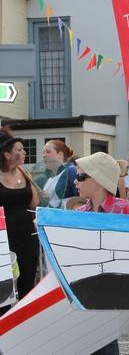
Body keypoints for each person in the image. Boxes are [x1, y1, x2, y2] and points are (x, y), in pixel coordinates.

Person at [74, 151, 129, 355]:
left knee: (105, 341)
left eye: (81, 176)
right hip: (85, 286)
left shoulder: (122, 209)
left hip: (111, 287)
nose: (76, 181)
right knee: (86, 340)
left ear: (99, 180)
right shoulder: (79, 213)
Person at [0, 128, 39, 308]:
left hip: (27, 237)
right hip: (4, 239)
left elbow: (34, 205)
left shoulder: (24, 173)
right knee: (5, 288)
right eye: (19, 149)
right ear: (7, 155)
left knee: (27, 284)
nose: (24, 152)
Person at [39, 139, 78, 208]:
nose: (44, 155)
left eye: (48, 152)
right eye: (43, 152)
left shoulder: (71, 171)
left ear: (60, 155)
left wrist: (51, 199)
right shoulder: (51, 176)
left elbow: (80, 200)